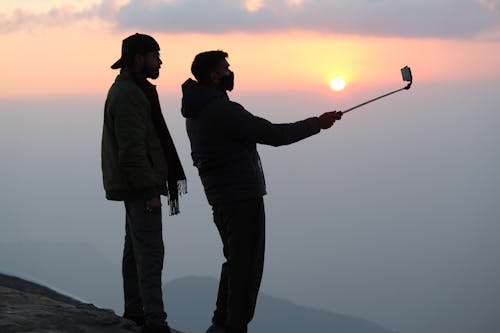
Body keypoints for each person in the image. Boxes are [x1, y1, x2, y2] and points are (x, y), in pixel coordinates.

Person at [181, 50, 342, 333]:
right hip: (241, 199)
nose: (231, 72)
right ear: (213, 75)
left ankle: (221, 323)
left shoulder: (198, 109)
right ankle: (233, 327)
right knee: (247, 270)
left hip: (222, 198)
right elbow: (274, 135)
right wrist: (318, 123)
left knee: (235, 262)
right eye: (225, 68)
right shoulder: (221, 110)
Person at [101, 33, 186, 333]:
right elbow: (132, 151)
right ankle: (154, 321)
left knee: (135, 250)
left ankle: (136, 312)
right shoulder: (130, 95)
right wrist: (150, 190)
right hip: (140, 188)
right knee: (150, 252)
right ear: (139, 59)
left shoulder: (133, 90)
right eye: (155, 55)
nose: (160, 61)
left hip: (135, 186)